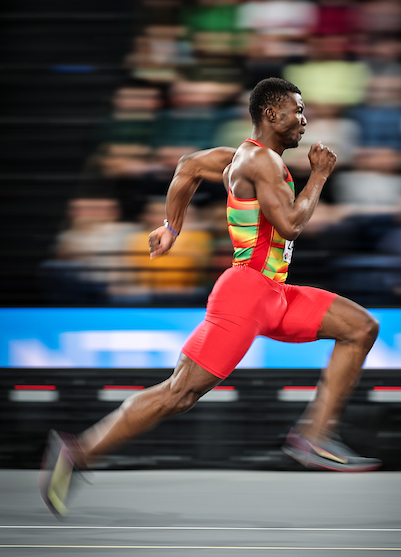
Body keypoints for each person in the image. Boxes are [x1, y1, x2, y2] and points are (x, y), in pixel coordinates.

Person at [40, 78, 381, 519]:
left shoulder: (244, 156)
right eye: (298, 110)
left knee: (361, 327)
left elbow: (187, 165)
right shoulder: (259, 161)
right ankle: (77, 451)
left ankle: (314, 436)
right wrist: (319, 175)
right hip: (246, 294)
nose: (305, 119)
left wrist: (172, 226)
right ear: (272, 114)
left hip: (273, 293)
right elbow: (293, 224)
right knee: (179, 393)